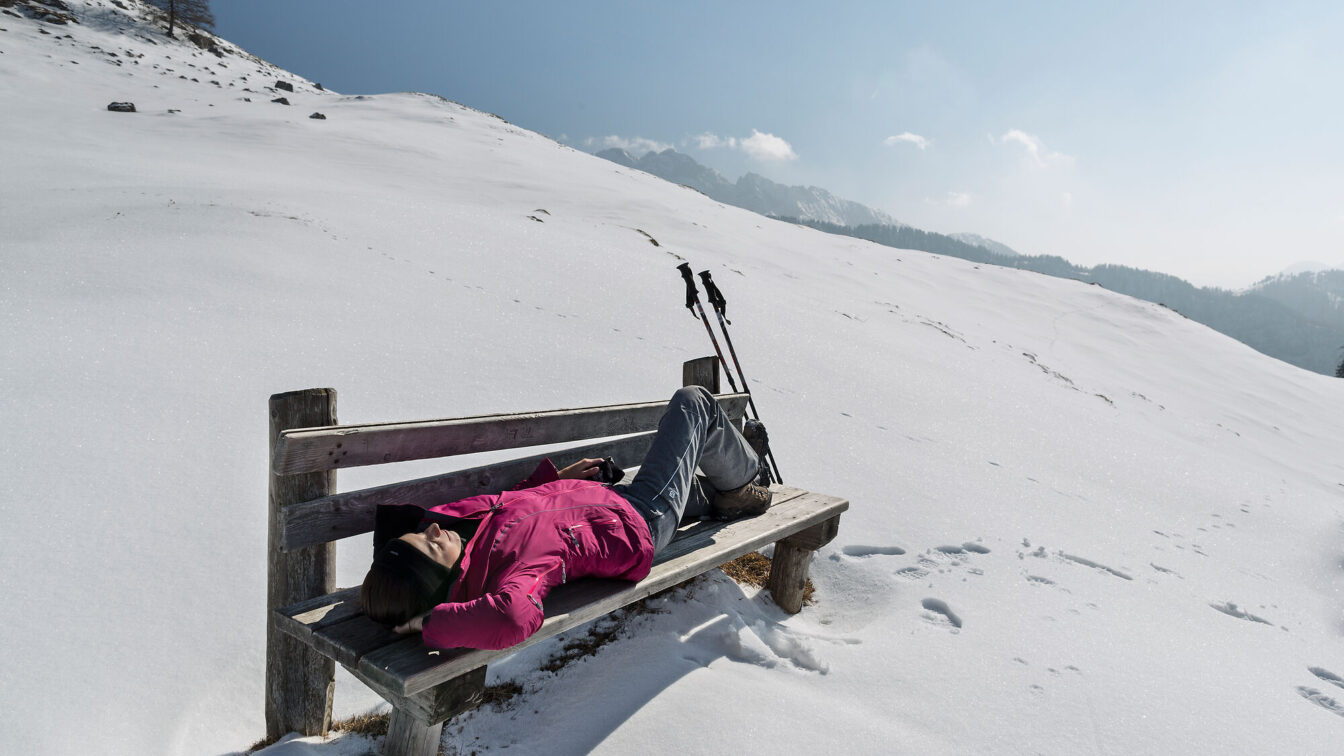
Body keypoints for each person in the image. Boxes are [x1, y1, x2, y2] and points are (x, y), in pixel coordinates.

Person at [359, 385, 772, 650]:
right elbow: (510, 619)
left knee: (700, 480)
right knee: (694, 403)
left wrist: (556, 479)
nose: (433, 528)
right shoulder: (514, 573)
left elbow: (514, 506)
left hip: (609, 501)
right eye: (431, 545)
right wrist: (433, 622)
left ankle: (727, 489)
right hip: (641, 517)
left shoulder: (472, 540)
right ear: (442, 584)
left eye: (421, 533)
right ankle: (746, 476)